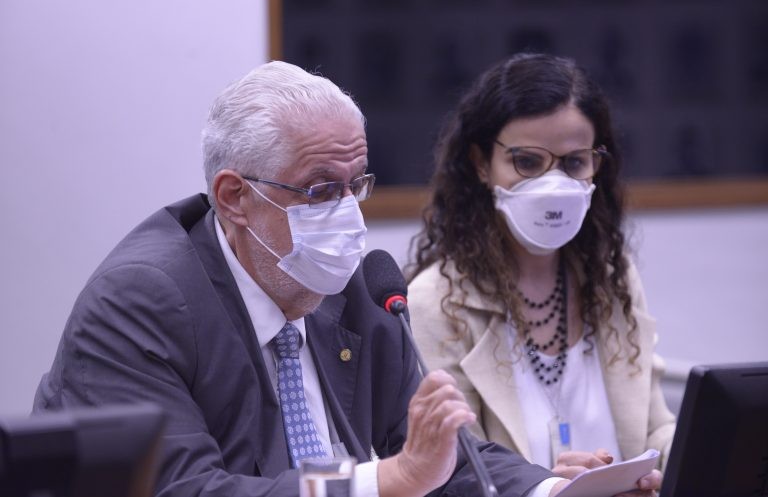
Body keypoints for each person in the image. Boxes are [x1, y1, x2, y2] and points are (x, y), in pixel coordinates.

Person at [32, 61, 585, 497]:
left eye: (355, 185)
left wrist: (554, 490)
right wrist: (386, 481)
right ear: (235, 197)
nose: (348, 216)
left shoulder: (355, 288)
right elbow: (185, 489)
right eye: (321, 190)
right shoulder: (141, 302)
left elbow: (442, 460)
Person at [407, 53, 676, 487]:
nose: (553, 184)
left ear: (596, 165)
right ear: (481, 163)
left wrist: (709, 452)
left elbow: (655, 430)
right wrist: (545, 488)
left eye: (574, 162)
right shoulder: (435, 304)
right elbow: (454, 476)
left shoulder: (612, 277)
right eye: (528, 162)